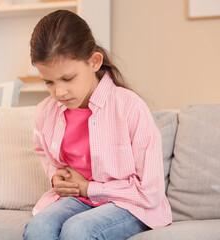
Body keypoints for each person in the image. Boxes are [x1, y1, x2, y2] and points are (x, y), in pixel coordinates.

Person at [23, 10, 172, 240]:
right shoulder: (46, 111)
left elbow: (151, 193)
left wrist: (89, 189)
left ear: (94, 62)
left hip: (129, 205)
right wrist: (56, 177)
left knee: (78, 231)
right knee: (39, 227)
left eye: (68, 78)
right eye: (49, 82)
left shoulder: (129, 107)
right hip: (78, 201)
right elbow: (43, 151)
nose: (59, 92)